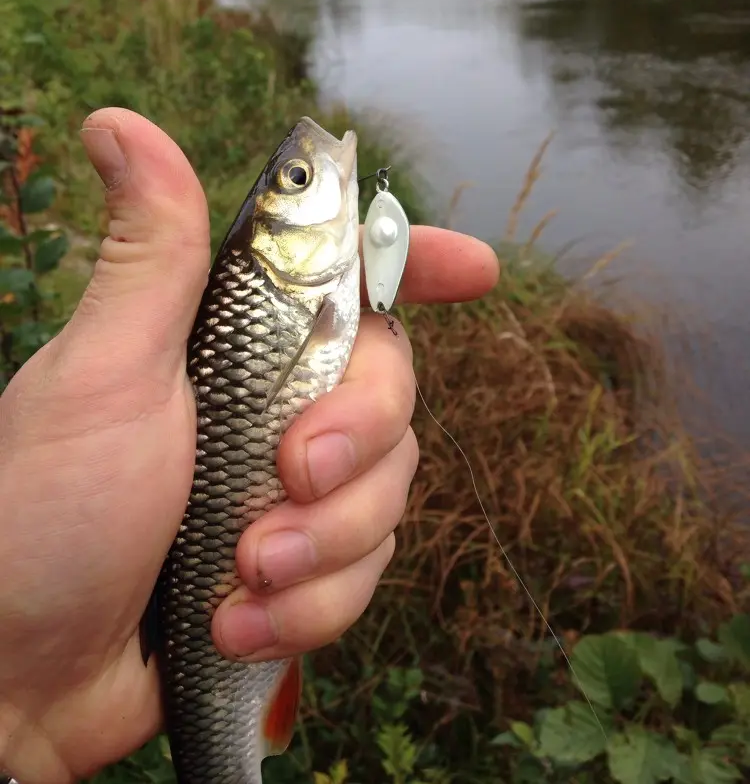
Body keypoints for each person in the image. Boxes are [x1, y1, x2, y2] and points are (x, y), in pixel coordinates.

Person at [0, 109, 499, 784]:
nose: (310, 167)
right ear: (272, 242)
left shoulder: (303, 291)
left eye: (295, 175)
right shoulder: (286, 295)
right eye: (299, 178)